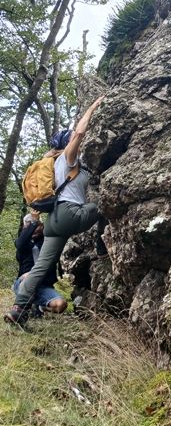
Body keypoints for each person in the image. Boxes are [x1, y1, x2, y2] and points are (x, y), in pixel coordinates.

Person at [4, 95, 107, 329]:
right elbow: (79, 134)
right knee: (109, 201)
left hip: (54, 221)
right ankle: (102, 249)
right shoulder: (67, 159)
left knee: (39, 268)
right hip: (69, 214)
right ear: (66, 145)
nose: (79, 144)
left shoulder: (64, 165)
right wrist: (92, 107)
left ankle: (18, 310)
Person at [13, 209, 67, 318]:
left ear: (42, 226)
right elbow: (20, 243)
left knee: (60, 305)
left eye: (36, 226)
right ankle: (21, 309)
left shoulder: (48, 241)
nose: (33, 230)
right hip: (23, 282)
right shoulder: (23, 244)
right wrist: (34, 222)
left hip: (43, 285)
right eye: (29, 227)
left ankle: (39, 308)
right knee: (29, 276)